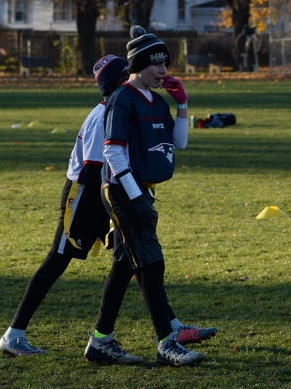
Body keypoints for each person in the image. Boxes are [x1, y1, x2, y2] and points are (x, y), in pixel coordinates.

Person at [0, 53, 217, 357]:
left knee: (132, 259)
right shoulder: (104, 114)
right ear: (119, 81)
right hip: (85, 195)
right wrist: (115, 210)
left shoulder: (127, 107)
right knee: (58, 260)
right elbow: (93, 169)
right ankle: (14, 334)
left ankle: (164, 328)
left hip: (112, 194)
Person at [84, 27, 214, 367]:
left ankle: (100, 340)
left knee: (124, 264)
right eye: (156, 64)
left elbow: (179, 143)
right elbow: (113, 153)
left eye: (165, 63)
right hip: (122, 191)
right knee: (152, 263)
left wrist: (182, 104)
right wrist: (136, 198)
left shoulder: (157, 101)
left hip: (141, 191)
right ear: (138, 65)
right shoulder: (122, 98)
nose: (163, 70)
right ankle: (166, 342)